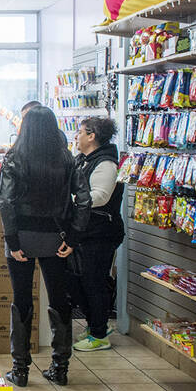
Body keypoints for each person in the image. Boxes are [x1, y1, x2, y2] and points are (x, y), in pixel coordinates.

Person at [0, 106, 83, 387]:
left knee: (22, 299)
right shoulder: (66, 159)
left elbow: (6, 201)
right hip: (57, 239)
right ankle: (60, 369)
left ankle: (20, 370)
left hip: (22, 237)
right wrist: (72, 238)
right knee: (59, 300)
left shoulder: (14, 158)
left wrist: (12, 240)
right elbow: (84, 200)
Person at [68, 116, 125, 352]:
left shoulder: (105, 163)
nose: (76, 137)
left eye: (80, 133)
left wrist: (70, 201)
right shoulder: (84, 159)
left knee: (94, 282)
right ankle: (95, 326)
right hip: (85, 232)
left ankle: (100, 334)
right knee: (80, 281)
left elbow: (100, 195)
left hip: (100, 233)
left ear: (92, 136)